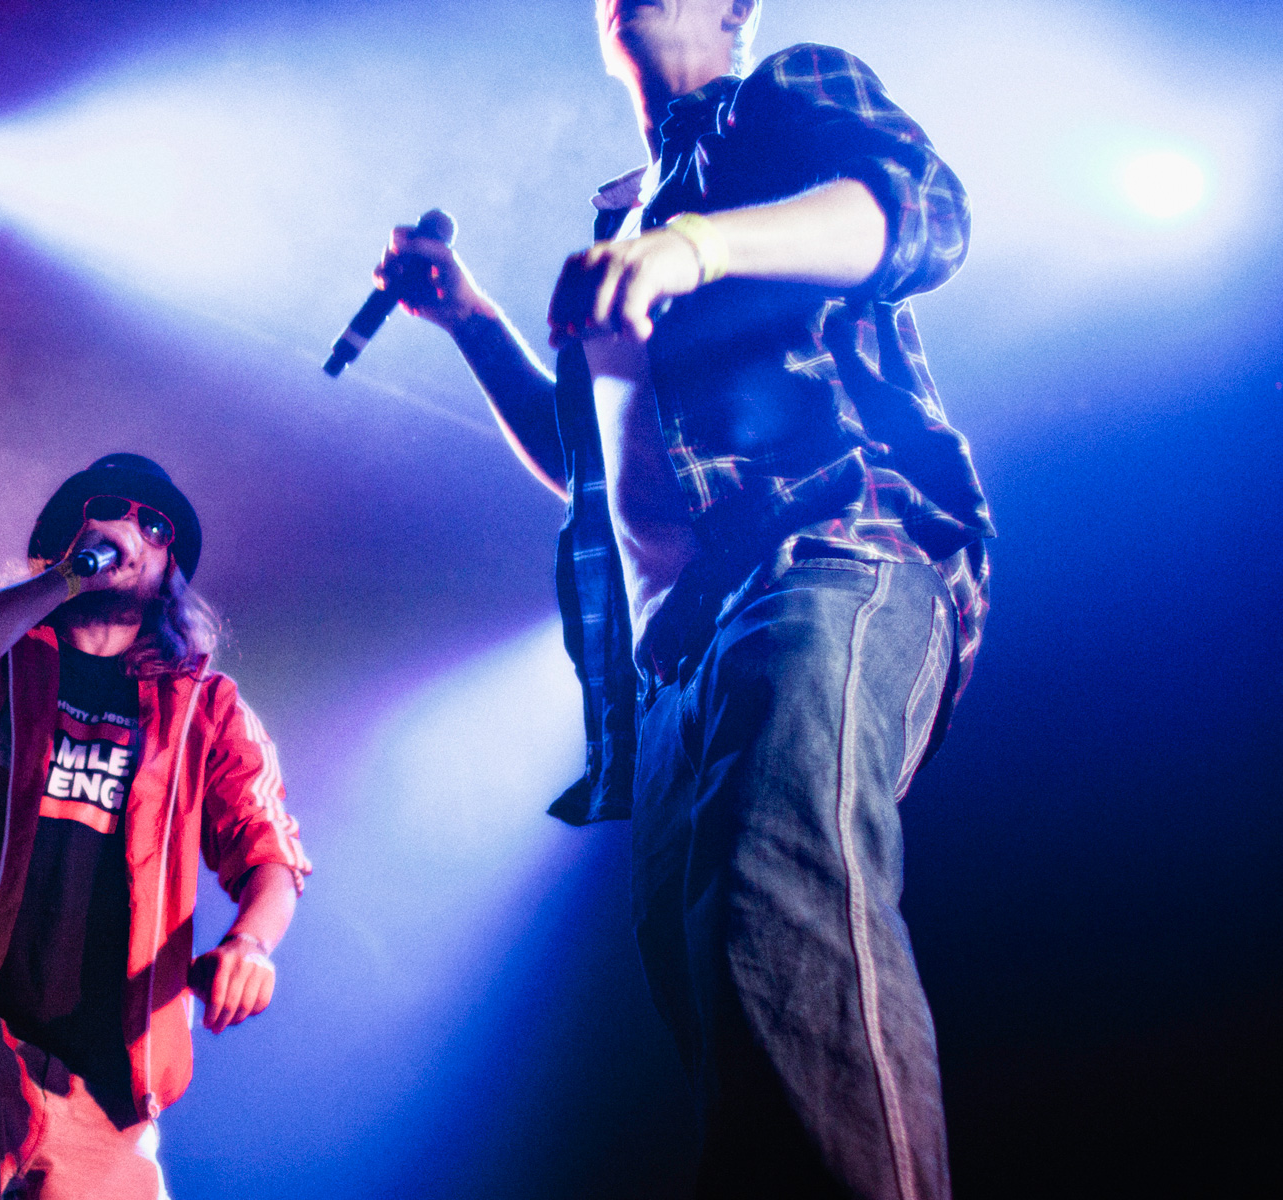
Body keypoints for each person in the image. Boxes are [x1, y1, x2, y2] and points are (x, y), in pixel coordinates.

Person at [378, 2, 992, 1197]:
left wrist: (698, 247)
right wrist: (468, 315)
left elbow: (926, 213)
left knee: (781, 898)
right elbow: (582, 461)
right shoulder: (627, 216)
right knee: (729, 1001)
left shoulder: (780, 101)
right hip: (675, 662)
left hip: (825, 547)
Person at [0, 453, 311, 1200]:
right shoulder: (2, 658)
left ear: (171, 570)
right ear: (70, 533)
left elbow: (269, 848)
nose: (130, 529)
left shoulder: (204, 706)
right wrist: (62, 579)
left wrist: (251, 943)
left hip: (109, 1088)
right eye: (110, 510)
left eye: (155, 526)